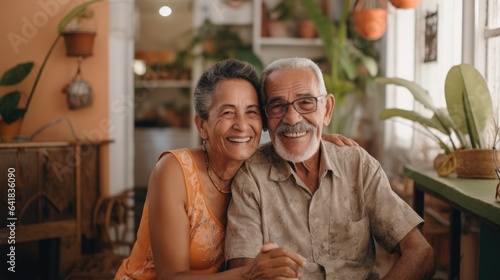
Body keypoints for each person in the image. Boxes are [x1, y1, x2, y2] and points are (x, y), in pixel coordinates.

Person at [115, 58, 356, 280]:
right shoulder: (173, 171)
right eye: (228, 113)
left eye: (251, 112)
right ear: (202, 126)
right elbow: (171, 277)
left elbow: (291, 131)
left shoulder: (259, 167)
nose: (241, 126)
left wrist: (312, 136)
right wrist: (249, 273)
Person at [225, 57, 437, 279]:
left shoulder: (356, 164)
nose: (292, 117)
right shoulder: (251, 176)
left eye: (306, 102)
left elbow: (422, 253)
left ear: (326, 109)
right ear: (266, 119)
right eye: (278, 106)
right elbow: (244, 272)